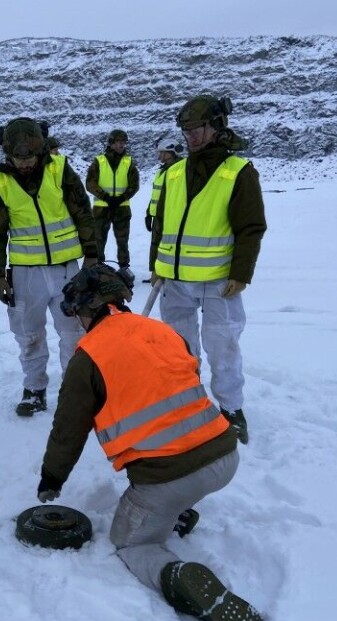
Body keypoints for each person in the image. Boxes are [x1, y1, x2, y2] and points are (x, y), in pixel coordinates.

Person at [35, 264, 265, 621]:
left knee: (131, 542)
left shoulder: (88, 356)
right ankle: (176, 512)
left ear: (87, 309)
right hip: (224, 456)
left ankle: (175, 575)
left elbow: (68, 429)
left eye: (77, 313)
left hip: (170, 477)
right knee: (175, 488)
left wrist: (51, 479)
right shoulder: (161, 330)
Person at [149, 96, 266, 444]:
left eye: (197, 129)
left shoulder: (238, 172)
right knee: (179, 349)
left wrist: (240, 273)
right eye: (186, 131)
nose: (191, 137)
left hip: (218, 281)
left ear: (217, 126)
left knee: (223, 347)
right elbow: (161, 224)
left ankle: (231, 409)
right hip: (175, 280)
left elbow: (251, 227)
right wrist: (156, 264)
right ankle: (188, 406)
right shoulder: (173, 173)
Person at [0, 117, 97, 416]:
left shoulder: (60, 170)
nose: (24, 164)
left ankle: (74, 390)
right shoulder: (0, 182)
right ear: (7, 153)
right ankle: (34, 389)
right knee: (28, 334)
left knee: (74, 331)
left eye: (29, 157)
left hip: (66, 270)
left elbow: (83, 212)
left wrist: (92, 255)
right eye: (17, 158)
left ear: (41, 149)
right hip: (25, 274)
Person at [84, 129, 140, 285]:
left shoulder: (129, 162)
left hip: (121, 208)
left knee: (123, 240)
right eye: (118, 142)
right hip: (102, 208)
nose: (121, 145)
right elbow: (90, 182)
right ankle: (97, 267)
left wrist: (123, 197)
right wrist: (105, 196)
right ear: (111, 143)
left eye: (123, 142)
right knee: (98, 238)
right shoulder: (99, 161)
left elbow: (134, 184)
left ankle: (124, 267)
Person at [144, 134, 183, 233]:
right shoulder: (161, 171)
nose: (159, 156)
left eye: (161, 153)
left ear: (170, 153)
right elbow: (156, 195)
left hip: (171, 220)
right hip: (158, 219)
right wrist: (149, 213)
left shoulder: (182, 170)